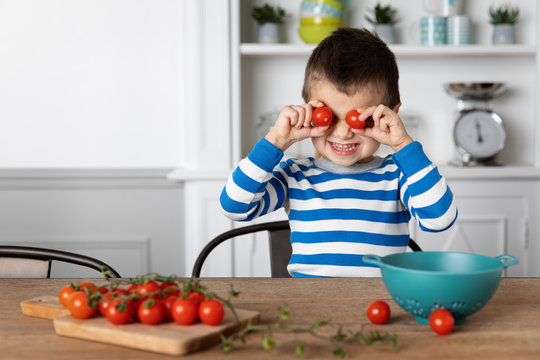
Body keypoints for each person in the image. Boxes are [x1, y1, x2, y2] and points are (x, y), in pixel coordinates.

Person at [220, 27, 457, 277]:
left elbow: (440, 219)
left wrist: (403, 145)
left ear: (390, 115)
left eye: (360, 119)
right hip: (311, 307)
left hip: (381, 307)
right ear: (308, 109)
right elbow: (234, 207)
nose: (343, 133)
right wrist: (275, 140)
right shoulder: (295, 175)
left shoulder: (397, 176)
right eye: (329, 116)